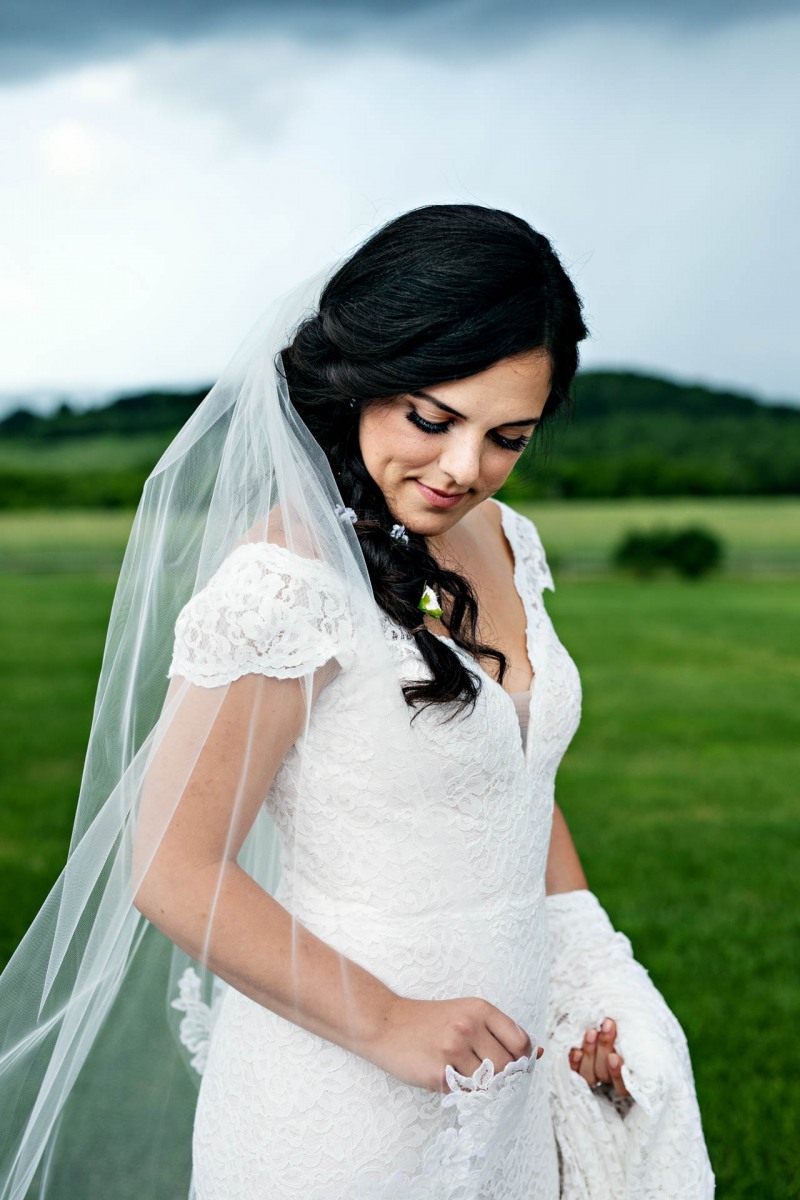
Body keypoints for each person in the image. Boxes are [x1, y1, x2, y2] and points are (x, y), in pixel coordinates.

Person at [0, 204, 714, 1199]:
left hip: (501, 1069)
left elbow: (512, 780)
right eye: (432, 419)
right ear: (359, 381)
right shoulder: (286, 580)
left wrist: (600, 977)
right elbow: (170, 867)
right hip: (339, 1096)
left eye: (506, 435)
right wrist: (386, 1019)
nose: (463, 468)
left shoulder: (504, 542)